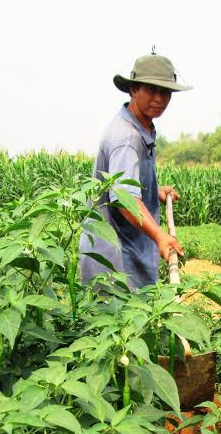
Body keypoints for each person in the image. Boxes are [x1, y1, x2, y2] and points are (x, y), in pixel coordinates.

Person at [78, 51, 191, 291]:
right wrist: (161, 236)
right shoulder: (127, 137)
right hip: (113, 262)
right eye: (151, 89)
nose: (159, 98)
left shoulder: (140, 126)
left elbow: (124, 182)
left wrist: (154, 191)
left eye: (165, 91)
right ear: (133, 90)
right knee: (119, 326)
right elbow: (125, 201)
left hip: (121, 252)